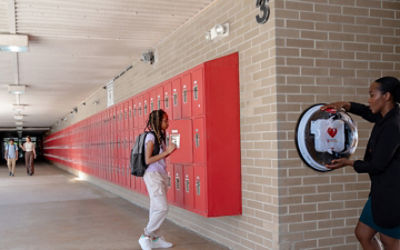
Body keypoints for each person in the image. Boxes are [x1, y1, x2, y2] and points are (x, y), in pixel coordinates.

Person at [322, 76, 400, 250]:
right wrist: (347, 104)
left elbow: (377, 165)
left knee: (390, 243)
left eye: (372, 95)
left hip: (393, 196)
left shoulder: (394, 125)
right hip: (380, 191)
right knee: (363, 234)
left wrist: (348, 163)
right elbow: (368, 112)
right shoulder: (385, 115)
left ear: (386, 96)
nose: (369, 99)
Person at [138, 109, 176, 250]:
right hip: (153, 175)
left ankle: (154, 239)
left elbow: (159, 158)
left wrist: (169, 151)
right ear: (158, 121)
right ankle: (145, 235)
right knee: (162, 207)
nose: (168, 122)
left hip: (160, 174)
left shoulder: (160, 136)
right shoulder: (151, 137)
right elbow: (148, 160)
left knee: (155, 207)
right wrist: (166, 152)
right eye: (165, 120)